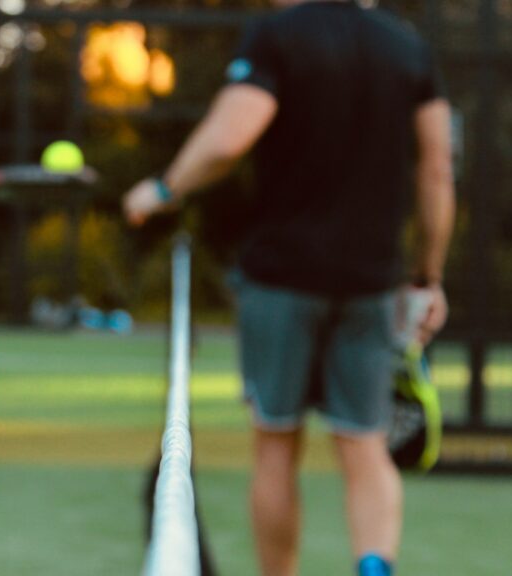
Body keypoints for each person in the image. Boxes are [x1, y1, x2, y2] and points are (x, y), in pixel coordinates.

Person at [123, 1, 455, 575]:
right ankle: (375, 568)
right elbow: (437, 169)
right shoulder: (407, 47)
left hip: (281, 278)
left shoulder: (275, 38)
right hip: (371, 282)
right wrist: (428, 276)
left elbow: (229, 139)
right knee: (365, 446)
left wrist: (163, 189)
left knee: (277, 444)